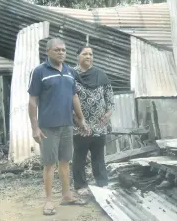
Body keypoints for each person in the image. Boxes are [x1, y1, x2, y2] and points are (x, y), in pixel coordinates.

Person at [28, 38, 90, 216]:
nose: (61, 52)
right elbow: (32, 100)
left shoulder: (70, 71)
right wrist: (34, 127)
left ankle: (66, 196)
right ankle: (48, 201)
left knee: (65, 162)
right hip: (48, 127)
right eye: (57, 50)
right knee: (49, 164)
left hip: (67, 125)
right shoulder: (40, 72)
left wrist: (81, 118)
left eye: (63, 50)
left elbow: (74, 97)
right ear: (48, 52)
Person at [72, 46, 115, 197]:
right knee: (80, 156)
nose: (88, 56)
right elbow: (66, 100)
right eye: (84, 53)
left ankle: (102, 182)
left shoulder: (100, 75)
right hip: (79, 125)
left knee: (98, 156)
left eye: (91, 54)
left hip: (99, 125)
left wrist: (108, 114)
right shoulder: (71, 75)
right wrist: (77, 120)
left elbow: (110, 99)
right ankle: (80, 185)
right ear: (78, 56)